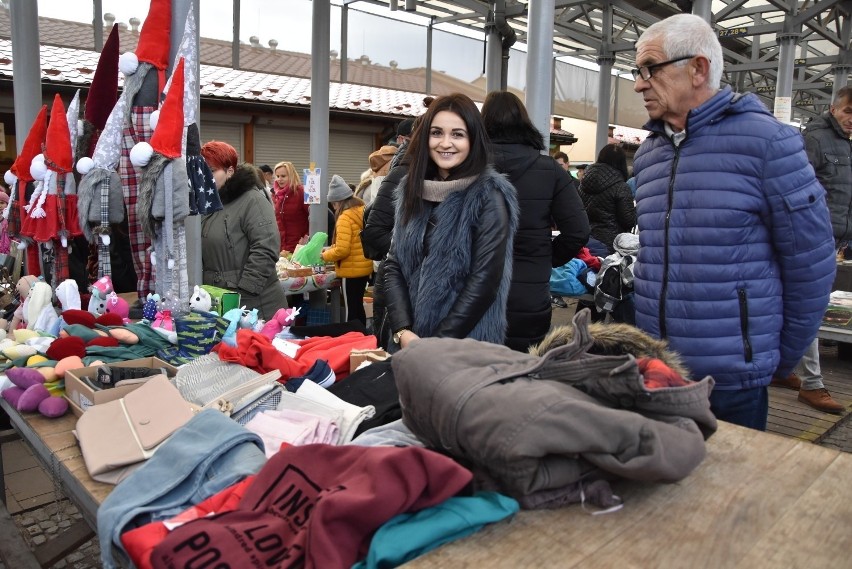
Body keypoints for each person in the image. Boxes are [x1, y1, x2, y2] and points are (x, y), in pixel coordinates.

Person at [631, 14, 836, 430]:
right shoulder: (649, 154)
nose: (638, 83)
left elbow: (811, 263)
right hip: (659, 369)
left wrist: (779, 357)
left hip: (732, 379)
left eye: (649, 69)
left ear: (698, 68)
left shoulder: (769, 144)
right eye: (637, 72)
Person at [382, 93, 519, 351]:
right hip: (408, 342)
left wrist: (434, 345)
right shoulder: (410, 189)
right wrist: (403, 330)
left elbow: (484, 282)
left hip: (464, 346)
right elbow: (393, 264)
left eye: (457, 134)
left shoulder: (488, 195)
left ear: (473, 139)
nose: (445, 143)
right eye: (437, 133)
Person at [481, 90, 589, 352]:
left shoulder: (467, 166)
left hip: (474, 292)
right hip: (529, 296)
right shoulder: (550, 170)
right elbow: (578, 230)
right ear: (524, 122)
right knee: (525, 374)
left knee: (473, 374)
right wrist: (548, 257)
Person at [772, 87, 852, 413]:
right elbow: (795, 187)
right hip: (812, 238)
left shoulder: (845, 144)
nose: (851, 120)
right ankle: (812, 382)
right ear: (834, 109)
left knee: (792, 303)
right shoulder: (816, 140)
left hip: (834, 239)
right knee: (811, 307)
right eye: (848, 111)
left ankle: (784, 368)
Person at [199, 141, 288, 320]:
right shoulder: (207, 203)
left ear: (230, 171)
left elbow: (266, 246)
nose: (205, 177)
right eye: (202, 171)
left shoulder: (252, 200)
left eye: (212, 170)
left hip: (257, 307)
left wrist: (246, 288)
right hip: (222, 302)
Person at [321, 175, 372, 326]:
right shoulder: (362, 210)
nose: (334, 208)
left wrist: (325, 255)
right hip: (364, 267)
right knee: (358, 307)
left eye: (334, 205)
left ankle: (352, 339)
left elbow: (342, 250)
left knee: (351, 310)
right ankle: (363, 336)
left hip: (350, 271)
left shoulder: (345, 217)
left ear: (338, 201)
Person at [578, 143, 637, 257]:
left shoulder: (583, 184)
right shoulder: (621, 187)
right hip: (611, 245)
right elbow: (628, 220)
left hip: (585, 240)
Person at [271, 161, 309, 254]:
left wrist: (306, 237)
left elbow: (313, 217)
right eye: (277, 176)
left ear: (291, 176)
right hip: (280, 247)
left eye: (283, 176)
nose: (280, 179)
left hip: (299, 246)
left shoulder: (301, 192)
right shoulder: (274, 195)